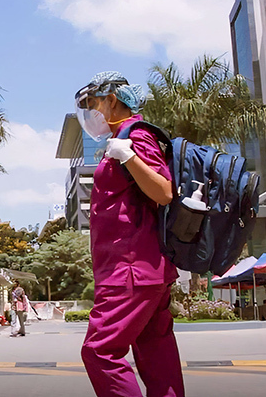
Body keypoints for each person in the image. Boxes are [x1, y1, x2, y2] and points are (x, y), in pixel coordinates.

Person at [76, 72, 185, 397]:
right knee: (155, 351)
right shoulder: (123, 137)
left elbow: (163, 191)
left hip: (130, 270)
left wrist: (129, 156)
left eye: (93, 104)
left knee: (100, 351)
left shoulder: (134, 136)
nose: (91, 113)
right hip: (143, 269)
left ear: (112, 100)